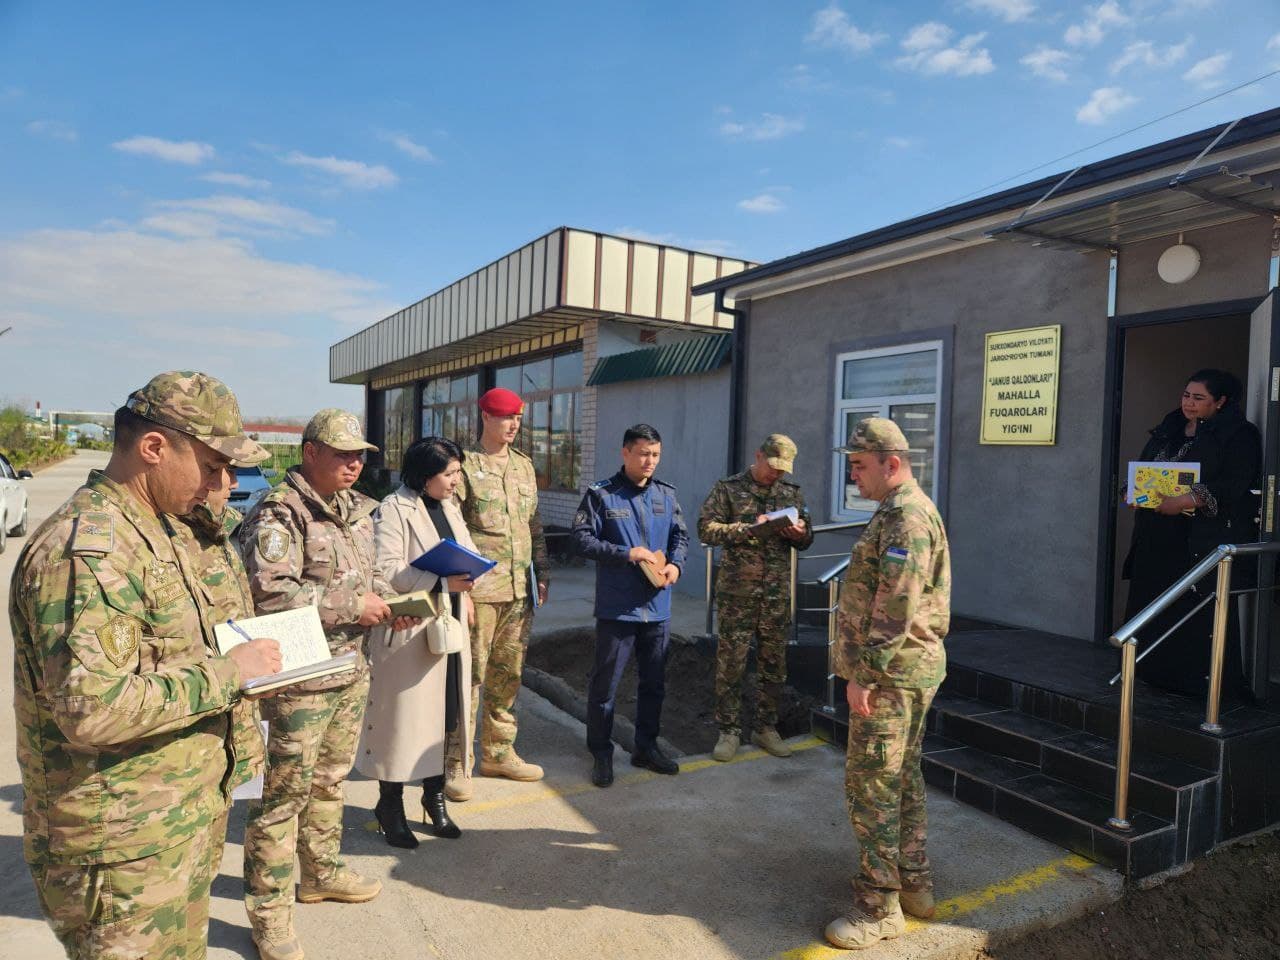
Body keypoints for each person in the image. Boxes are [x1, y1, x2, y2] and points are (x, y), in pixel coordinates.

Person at [10, 371, 282, 960]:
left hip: (176, 819)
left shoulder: (168, 529)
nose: (225, 483)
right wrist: (228, 674)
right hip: (120, 845)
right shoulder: (90, 552)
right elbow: (92, 711)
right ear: (153, 448)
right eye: (211, 466)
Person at [238, 409, 396, 960]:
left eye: (360, 455)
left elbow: (368, 574)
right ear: (310, 453)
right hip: (301, 680)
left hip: (350, 668)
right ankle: (269, 916)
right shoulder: (281, 514)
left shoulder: (354, 511)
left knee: (330, 784)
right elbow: (270, 595)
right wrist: (357, 604)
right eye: (343, 453)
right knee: (283, 800)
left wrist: (389, 604)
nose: (354, 463)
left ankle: (321, 874)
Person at [825, 417, 950, 951]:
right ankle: (914, 884)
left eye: (859, 465)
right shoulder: (897, 513)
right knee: (900, 780)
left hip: (891, 677)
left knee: (872, 787)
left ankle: (879, 907)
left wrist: (864, 677)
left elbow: (894, 608)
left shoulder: (905, 518)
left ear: (890, 464)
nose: (853, 476)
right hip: (905, 672)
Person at [358, 436, 478, 848]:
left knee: (444, 716)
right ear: (425, 475)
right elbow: (387, 569)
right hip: (410, 628)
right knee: (402, 721)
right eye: (449, 474)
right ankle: (389, 804)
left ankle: (435, 796)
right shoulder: (393, 509)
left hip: (450, 624)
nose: (455, 482)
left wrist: (470, 578)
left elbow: (466, 550)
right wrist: (442, 579)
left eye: (457, 473)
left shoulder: (449, 506)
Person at [1122, 369, 1261, 698]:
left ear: (1221, 401)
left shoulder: (1238, 434)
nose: (1189, 403)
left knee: (1192, 607)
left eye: (1199, 398)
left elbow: (1236, 483)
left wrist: (1189, 499)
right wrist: (1135, 490)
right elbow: (1147, 465)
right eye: (1186, 395)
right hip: (1156, 534)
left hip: (1196, 539)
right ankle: (1149, 671)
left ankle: (1196, 683)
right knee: (1153, 601)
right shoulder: (1170, 427)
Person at [572, 423, 689, 788]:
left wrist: (676, 565)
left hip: (657, 607)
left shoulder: (667, 495)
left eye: (655, 454)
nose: (649, 461)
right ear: (625, 453)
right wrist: (626, 554)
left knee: (653, 683)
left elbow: (680, 536)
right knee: (605, 686)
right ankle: (601, 753)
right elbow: (581, 539)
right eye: (642, 453)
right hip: (618, 608)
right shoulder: (602, 495)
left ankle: (646, 748)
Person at [453, 386, 551, 790]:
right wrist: (459, 589)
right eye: (505, 417)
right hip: (480, 592)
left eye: (518, 419)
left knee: (507, 675)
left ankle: (498, 754)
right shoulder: (463, 465)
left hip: (518, 591)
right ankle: (458, 762)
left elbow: (534, 524)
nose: (513, 425)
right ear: (486, 418)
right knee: (469, 677)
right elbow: (453, 529)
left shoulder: (524, 467)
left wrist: (541, 571)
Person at [698, 434, 814, 762]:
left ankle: (765, 727)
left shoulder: (792, 493)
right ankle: (729, 730)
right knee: (731, 664)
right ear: (758, 455)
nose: (776, 474)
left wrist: (799, 533)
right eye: (772, 467)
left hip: (776, 595)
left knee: (774, 665)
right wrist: (748, 528)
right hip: (738, 593)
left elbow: (807, 539)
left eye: (782, 470)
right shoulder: (728, 488)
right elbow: (705, 529)